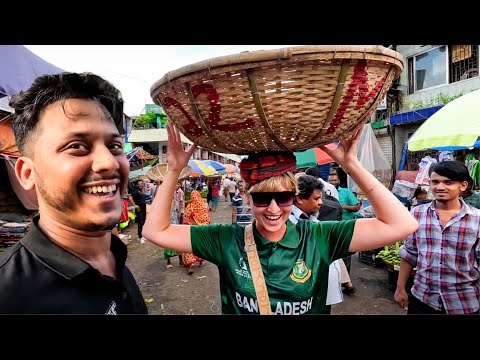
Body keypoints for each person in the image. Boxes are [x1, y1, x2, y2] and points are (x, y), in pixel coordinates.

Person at [143, 122, 418, 315]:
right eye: (262, 199)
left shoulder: (319, 237)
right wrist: (174, 171)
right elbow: (156, 232)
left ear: (294, 198)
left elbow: (402, 225)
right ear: (248, 199)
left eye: (283, 198)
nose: (273, 209)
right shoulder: (226, 239)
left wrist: (351, 165)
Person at [0, 72, 147, 314]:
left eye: (114, 146)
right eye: (76, 146)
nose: (109, 163)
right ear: (27, 174)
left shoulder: (115, 258)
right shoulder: (8, 297)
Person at [394, 161, 480, 314]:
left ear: (463, 185)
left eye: (448, 182)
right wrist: (400, 288)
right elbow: (409, 253)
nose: (440, 187)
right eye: (435, 182)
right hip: (422, 298)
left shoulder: (476, 219)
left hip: (462, 302)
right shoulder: (417, 213)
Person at [288, 174, 348, 313]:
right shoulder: (292, 223)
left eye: (321, 197)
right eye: (316, 198)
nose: (321, 202)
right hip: (306, 292)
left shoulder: (310, 219)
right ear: (299, 198)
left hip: (321, 289)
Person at [328, 172, 362, 276]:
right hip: (332, 227)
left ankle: (346, 280)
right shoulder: (326, 193)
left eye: (335, 180)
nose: (333, 183)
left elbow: (356, 207)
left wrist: (340, 206)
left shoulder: (346, 192)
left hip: (346, 227)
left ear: (339, 181)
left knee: (346, 254)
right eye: (331, 181)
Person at [181, 190, 209, 274]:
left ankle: (192, 262)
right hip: (201, 229)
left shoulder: (189, 206)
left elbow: (185, 218)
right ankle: (201, 261)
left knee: (189, 245)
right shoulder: (203, 205)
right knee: (200, 245)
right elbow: (206, 217)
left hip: (191, 229)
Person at [130, 179, 147, 243]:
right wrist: (134, 205)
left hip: (143, 207)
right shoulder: (135, 190)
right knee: (140, 222)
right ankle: (140, 237)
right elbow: (130, 197)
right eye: (139, 184)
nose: (141, 185)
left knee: (143, 221)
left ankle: (142, 235)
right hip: (139, 207)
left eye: (141, 183)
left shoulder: (140, 190)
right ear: (136, 184)